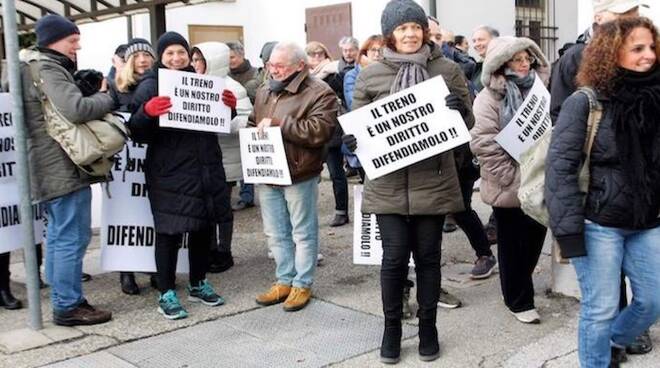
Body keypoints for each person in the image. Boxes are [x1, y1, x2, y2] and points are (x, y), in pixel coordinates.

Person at [343, 0, 473, 362]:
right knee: (395, 259)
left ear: (425, 31)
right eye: (402, 28)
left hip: (433, 178)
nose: (411, 33)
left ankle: (428, 328)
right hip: (388, 182)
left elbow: (469, 121)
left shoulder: (447, 69)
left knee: (429, 257)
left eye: (416, 27)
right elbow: (358, 123)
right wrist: (353, 139)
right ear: (391, 34)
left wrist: (457, 110)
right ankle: (391, 330)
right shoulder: (370, 74)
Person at [546, 16, 660, 368]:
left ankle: (613, 340)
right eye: (638, 48)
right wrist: (568, 233)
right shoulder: (586, 102)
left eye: (652, 47)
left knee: (653, 300)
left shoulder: (657, 98)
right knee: (601, 308)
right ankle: (596, 360)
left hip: (647, 219)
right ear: (612, 53)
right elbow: (560, 169)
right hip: (598, 223)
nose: (649, 56)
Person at [127, 32, 235, 320]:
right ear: (161, 57)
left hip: (204, 168)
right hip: (169, 173)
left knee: (202, 228)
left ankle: (198, 282)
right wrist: (147, 113)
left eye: (182, 52)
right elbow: (136, 132)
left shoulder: (204, 83)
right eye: (170, 53)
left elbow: (219, 123)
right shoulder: (150, 86)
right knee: (168, 233)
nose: (177, 58)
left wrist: (228, 106)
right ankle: (166, 292)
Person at [19, 14, 114, 326]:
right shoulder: (47, 67)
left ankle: (66, 299)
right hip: (61, 165)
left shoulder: (32, 66)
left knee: (61, 236)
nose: (78, 46)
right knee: (71, 236)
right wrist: (105, 97)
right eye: (73, 40)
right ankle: (68, 305)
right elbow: (75, 109)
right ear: (53, 41)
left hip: (50, 165)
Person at [251, 42, 337, 312]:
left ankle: (302, 283)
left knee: (303, 233)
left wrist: (279, 125)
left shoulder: (320, 91)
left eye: (279, 66)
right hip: (268, 171)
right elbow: (256, 121)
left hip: (299, 172)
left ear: (300, 66)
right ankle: (284, 280)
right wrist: (251, 130)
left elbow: (320, 131)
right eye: (270, 65)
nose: (273, 70)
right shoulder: (265, 88)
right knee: (275, 234)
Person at [470, 36, 550, 324]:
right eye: (518, 59)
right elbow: (484, 143)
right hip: (508, 185)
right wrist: (513, 178)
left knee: (534, 241)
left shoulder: (540, 90)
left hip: (539, 181)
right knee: (513, 246)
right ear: (502, 64)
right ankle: (518, 301)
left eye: (528, 57)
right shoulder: (487, 99)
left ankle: (520, 284)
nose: (526, 63)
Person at [190, 42, 253, 273]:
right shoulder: (191, 84)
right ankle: (207, 250)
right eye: (194, 59)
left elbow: (247, 121)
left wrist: (225, 118)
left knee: (221, 208)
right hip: (199, 158)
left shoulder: (232, 87)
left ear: (212, 61)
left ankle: (224, 251)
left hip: (225, 159)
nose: (195, 64)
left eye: (200, 59)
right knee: (204, 208)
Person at [108, 38, 156, 295]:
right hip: (125, 160)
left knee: (151, 214)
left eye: (146, 56)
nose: (142, 60)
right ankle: (126, 273)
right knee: (126, 216)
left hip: (154, 154)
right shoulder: (116, 87)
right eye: (136, 56)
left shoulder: (160, 83)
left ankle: (153, 267)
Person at [305, 41, 350, 227]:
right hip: (309, 132)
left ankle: (342, 211)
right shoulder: (303, 78)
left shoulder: (335, 74)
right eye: (312, 55)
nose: (316, 58)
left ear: (326, 56)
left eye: (320, 55)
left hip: (332, 132)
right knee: (308, 175)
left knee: (336, 173)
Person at [470, 25, 500, 246]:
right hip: (482, 132)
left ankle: (495, 224)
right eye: (474, 40)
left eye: (481, 39)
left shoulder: (500, 66)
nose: (477, 43)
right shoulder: (477, 68)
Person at [343, 35, 384, 182]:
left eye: (382, 50)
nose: (378, 54)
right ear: (365, 52)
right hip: (364, 134)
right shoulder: (352, 75)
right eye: (373, 50)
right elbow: (355, 104)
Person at [227, 41, 259, 212]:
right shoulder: (224, 76)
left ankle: (247, 196)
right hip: (232, 123)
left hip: (250, 120)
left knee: (246, 160)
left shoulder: (255, 74)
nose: (229, 61)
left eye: (232, 57)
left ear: (241, 55)